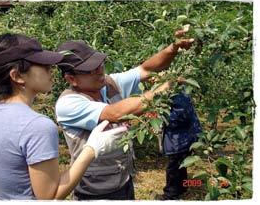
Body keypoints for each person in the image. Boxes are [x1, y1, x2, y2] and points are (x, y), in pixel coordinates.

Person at [0, 33, 127, 200]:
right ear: (17, 76)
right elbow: (49, 197)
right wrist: (91, 149)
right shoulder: (37, 126)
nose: (51, 69)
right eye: (42, 65)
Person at [55, 28, 194, 200]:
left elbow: (145, 69)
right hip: (95, 193)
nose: (99, 71)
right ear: (71, 79)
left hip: (125, 182)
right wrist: (162, 90)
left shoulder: (108, 83)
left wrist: (172, 48)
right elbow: (114, 113)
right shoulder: (68, 104)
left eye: (99, 64)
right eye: (90, 69)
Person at [156, 93, 202, 200]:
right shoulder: (181, 95)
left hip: (179, 140)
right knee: (181, 164)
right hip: (184, 138)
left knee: (173, 169)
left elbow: (177, 118)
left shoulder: (178, 98)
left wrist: (160, 117)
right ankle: (182, 188)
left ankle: (170, 195)